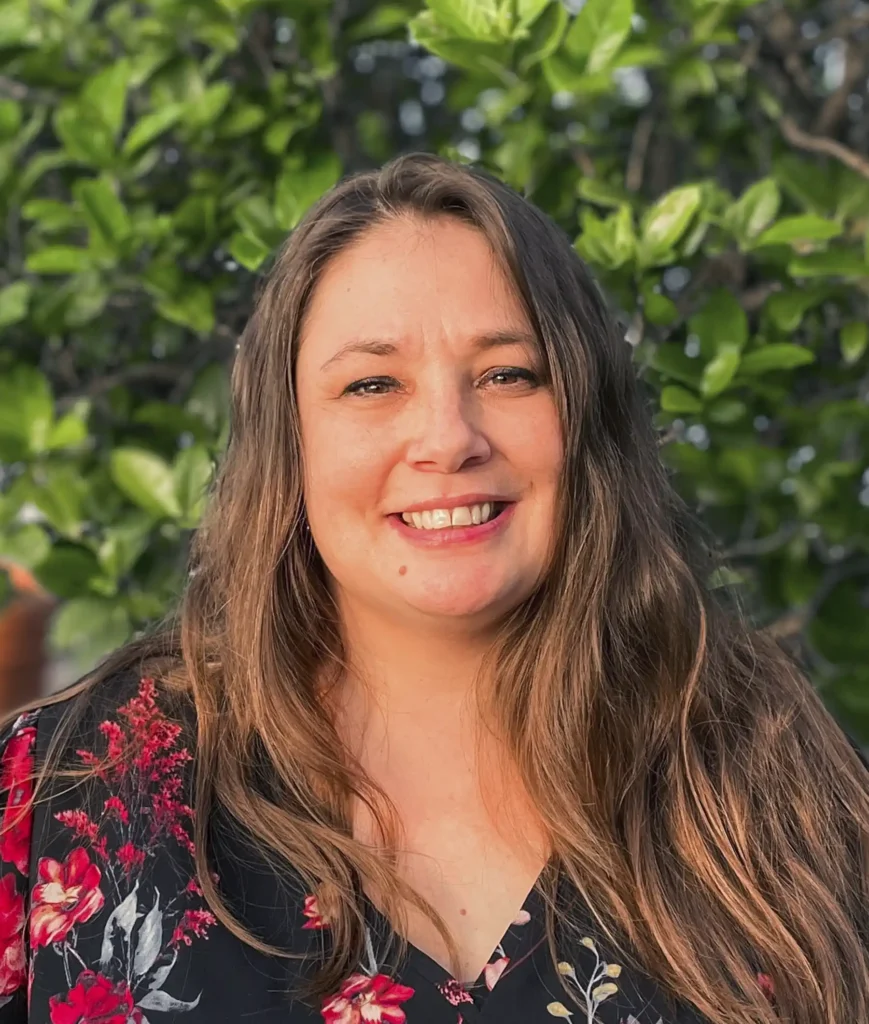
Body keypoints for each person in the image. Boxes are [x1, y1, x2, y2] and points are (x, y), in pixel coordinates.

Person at [0, 152, 867, 1024]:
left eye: (506, 374)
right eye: (372, 384)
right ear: (286, 445)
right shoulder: (65, 792)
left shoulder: (771, 789)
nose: (448, 438)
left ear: (584, 420)